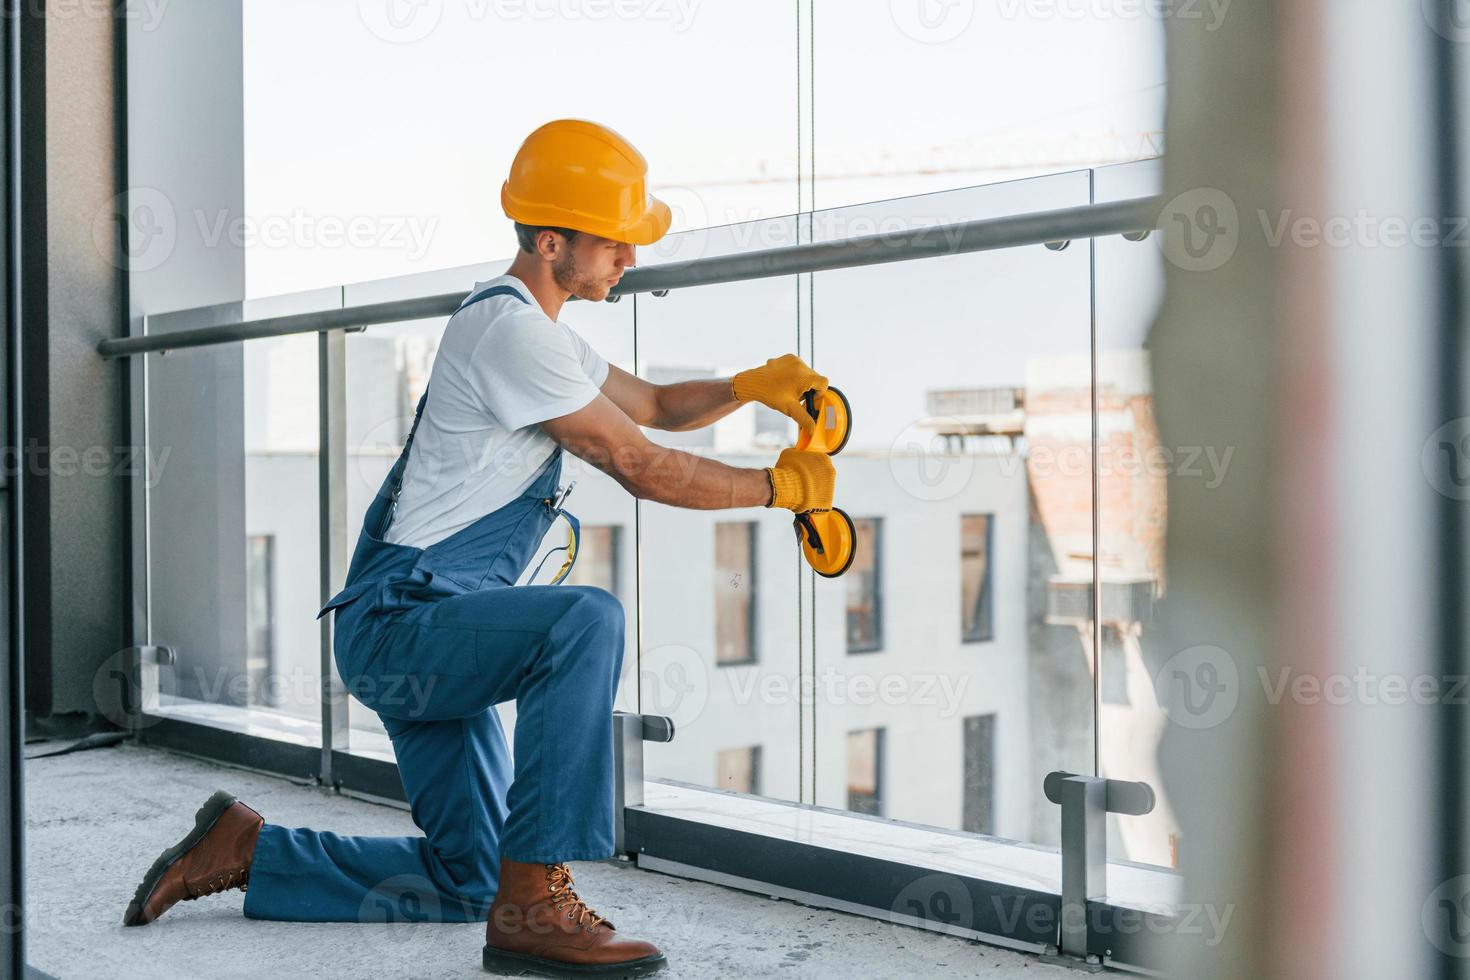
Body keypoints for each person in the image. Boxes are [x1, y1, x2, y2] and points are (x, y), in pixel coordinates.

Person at [121, 119, 837, 978]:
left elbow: (650, 405)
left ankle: (248, 849)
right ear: (550, 241)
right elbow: (641, 464)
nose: (629, 261)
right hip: (403, 625)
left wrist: (751, 386)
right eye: (615, 243)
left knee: (467, 879)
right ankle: (537, 901)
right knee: (582, 621)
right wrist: (781, 489)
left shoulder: (538, 332)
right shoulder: (512, 336)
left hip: (433, 630)